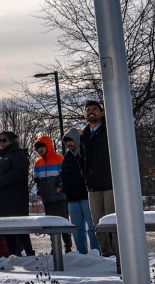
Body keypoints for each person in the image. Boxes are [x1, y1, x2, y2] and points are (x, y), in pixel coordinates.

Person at [0, 131, 34, 256]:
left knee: (18, 232)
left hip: (14, 202)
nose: (1, 143)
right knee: (5, 233)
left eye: (4, 140)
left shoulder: (18, 155)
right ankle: (8, 255)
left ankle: (24, 255)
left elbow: (16, 173)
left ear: (12, 141)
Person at [80, 100, 118, 256]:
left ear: (102, 113)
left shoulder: (109, 131)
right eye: (88, 109)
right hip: (93, 186)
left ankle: (118, 252)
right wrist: (85, 176)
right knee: (98, 223)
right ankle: (106, 252)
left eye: (94, 109)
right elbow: (82, 159)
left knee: (113, 221)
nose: (91, 111)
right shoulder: (84, 135)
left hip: (110, 184)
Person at [61, 128, 99, 255]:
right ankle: (81, 254)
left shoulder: (85, 154)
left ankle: (96, 252)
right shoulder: (66, 158)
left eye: (71, 140)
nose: (69, 144)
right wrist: (65, 189)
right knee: (77, 229)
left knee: (92, 227)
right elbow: (63, 175)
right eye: (67, 142)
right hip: (72, 198)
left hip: (86, 196)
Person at [34, 136, 73, 254]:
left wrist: (60, 186)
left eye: (42, 146)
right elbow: (36, 179)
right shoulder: (38, 163)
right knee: (50, 224)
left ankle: (68, 247)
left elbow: (65, 175)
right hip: (47, 199)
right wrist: (39, 191)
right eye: (38, 148)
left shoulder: (59, 159)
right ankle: (54, 247)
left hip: (60, 197)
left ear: (48, 146)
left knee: (63, 222)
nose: (40, 149)